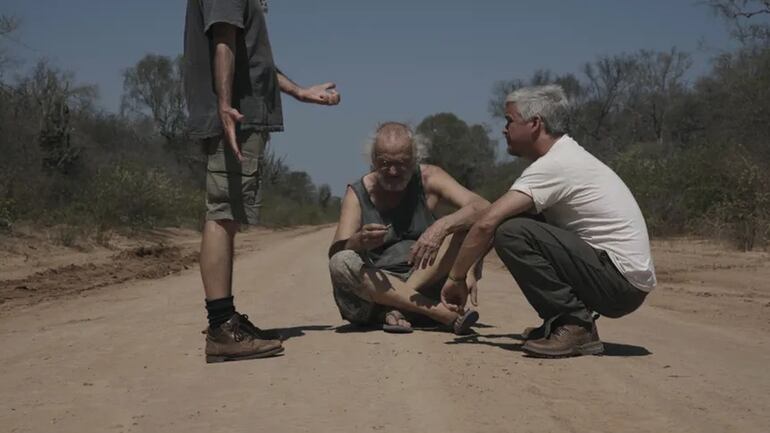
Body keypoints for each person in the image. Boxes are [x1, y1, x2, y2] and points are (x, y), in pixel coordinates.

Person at [440, 85, 656, 357]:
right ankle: (562, 321)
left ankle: (575, 325)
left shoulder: (555, 164)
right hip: (620, 280)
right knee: (518, 220)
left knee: (512, 232)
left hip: (619, 284)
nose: (504, 129)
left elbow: (487, 223)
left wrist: (456, 277)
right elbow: (494, 222)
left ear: (534, 123)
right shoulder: (563, 157)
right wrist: (471, 268)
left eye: (509, 121)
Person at [184, 0, 341, 363]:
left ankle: (227, 321)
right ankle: (222, 328)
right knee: (222, 212)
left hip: (237, 111)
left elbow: (249, 53)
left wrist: (299, 91)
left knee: (229, 212)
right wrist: (225, 105)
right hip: (235, 115)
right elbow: (223, 39)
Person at [328, 122, 489, 334]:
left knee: (463, 227)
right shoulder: (358, 193)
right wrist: (358, 241)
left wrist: (442, 226)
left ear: (415, 158)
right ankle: (441, 314)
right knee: (341, 262)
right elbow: (336, 252)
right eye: (385, 163)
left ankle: (396, 309)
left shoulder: (430, 178)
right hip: (374, 294)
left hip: (426, 283)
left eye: (402, 163)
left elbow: (483, 208)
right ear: (373, 160)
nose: (393, 171)